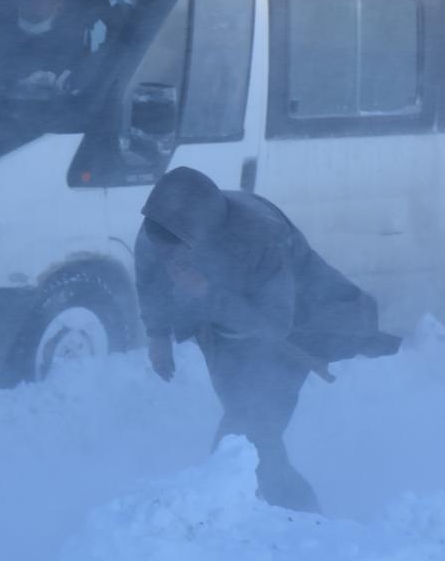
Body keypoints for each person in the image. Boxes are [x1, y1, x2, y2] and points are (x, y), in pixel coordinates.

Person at [135, 166, 400, 512]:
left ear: (203, 232)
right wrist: (158, 335)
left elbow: (273, 326)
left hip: (296, 332)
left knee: (248, 437)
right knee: (245, 430)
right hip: (225, 334)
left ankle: (302, 523)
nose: (168, 257)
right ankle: (255, 518)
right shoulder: (164, 229)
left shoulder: (260, 236)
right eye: (164, 249)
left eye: (177, 253)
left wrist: (206, 293)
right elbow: (149, 275)